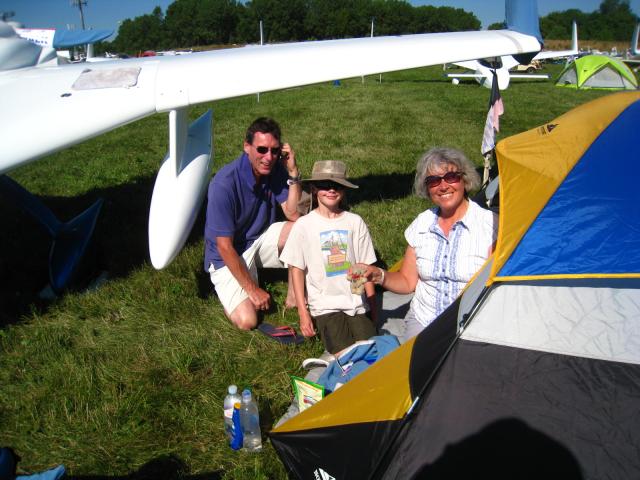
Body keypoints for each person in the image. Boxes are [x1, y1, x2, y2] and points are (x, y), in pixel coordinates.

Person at [355, 147, 497, 342]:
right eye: (434, 181)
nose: (443, 186)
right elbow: (407, 281)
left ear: (464, 179)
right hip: (424, 320)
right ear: (427, 187)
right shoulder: (422, 224)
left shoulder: (490, 226)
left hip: (472, 325)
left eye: (451, 177)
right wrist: (378, 275)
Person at [204, 117, 302, 330]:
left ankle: (294, 295)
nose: (269, 157)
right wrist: (252, 290)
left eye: (275, 151)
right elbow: (224, 246)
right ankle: (230, 292)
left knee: (301, 229)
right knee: (248, 321)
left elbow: (294, 214)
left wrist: (293, 173)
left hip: (257, 240)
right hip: (226, 256)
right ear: (246, 146)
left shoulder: (274, 169)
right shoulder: (223, 185)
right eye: (262, 149)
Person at [279, 160, 378, 354]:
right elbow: (296, 269)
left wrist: (372, 305)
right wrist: (303, 312)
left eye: (337, 185)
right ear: (314, 188)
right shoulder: (304, 225)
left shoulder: (354, 222)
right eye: (325, 185)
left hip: (356, 302)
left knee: (370, 352)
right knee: (346, 354)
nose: (331, 190)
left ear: (344, 189)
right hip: (325, 306)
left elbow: (365, 265)